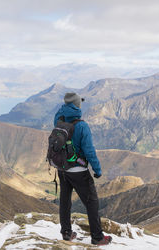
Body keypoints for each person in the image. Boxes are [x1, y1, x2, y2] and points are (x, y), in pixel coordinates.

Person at [53, 92, 112, 245]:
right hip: (79, 171)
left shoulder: (59, 119)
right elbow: (89, 151)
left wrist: (65, 106)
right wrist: (97, 170)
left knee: (65, 201)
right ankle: (97, 237)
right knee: (91, 203)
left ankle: (66, 232)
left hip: (62, 169)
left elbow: (60, 114)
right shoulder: (82, 126)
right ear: (77, 105)